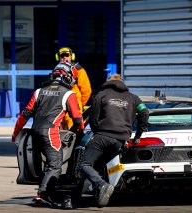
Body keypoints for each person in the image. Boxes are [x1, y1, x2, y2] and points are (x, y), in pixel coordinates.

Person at [11, 62, 85, 207]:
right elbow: (77, 119)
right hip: (51, 133)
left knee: (45, 164)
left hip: (34, 132)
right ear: (68, 77)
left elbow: (25, 114)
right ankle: (42, 195)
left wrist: (16, 133)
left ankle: (46, 193)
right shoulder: (69, 94)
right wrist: (80, 131)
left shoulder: (39, 91)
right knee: (55, 165)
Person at [80, 74, 149, 208]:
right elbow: (144, 112)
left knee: (85, 165)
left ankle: (102, 185)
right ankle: (91, 195)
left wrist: (97, 131)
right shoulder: (133, 98)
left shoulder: (101, 95)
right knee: (97, 166)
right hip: (120, 141)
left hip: (102, 137)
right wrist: (137, 135)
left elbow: (93, 118)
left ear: (108, 83)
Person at [56, 47, 92, 129]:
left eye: (66, 55)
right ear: (58, 57)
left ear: (72, 56)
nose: (64, 57)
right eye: (62, 56)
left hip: (72, 109)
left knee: (71, 133)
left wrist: (78, 105)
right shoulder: (57, 70)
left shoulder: (79, 70)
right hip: (58, 108)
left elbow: (86, 91)